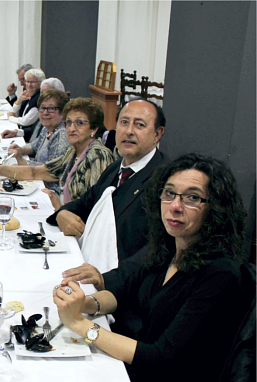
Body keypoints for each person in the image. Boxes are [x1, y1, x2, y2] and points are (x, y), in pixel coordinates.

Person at [53, 153, 246, 382]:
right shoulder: (169, 247)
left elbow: (160, 357)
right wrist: (84, 303)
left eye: (192, 198)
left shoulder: (221, 275)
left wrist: (79, 324)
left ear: (216, 208)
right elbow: (124, 294)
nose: (175, 206)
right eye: (170, 193)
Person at [47, 98, 168, 268]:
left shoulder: (165, 180)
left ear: (157, 134)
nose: (129, 131)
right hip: (88, 266)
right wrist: (62, 213)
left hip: (121, 284)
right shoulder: (116, 168)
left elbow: (154, 251)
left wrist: (106, 282)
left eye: (140, 125)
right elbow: (85, 202)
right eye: (124, 122)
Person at [0, 98, 114, 209]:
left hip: (76, 225)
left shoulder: (98, 156)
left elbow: (92, 207)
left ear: (94, 128)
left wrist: (58, 207)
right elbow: (37, 172)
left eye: (80, 123)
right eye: (69, 122)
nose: (72, 128)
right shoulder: (73, 152)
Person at [1, 77, 65, 142]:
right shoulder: (42, 108)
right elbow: (35, 133)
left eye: (48, 93)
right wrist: (16, 132)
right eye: (42, 93)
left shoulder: (61, 128)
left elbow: (25, 122)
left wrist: (11, 117)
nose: (43, 96)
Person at [7, 68, 45, 142]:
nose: (29, 85)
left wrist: (10, 118)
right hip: (22, 133)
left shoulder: (39, 99)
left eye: (32, 82)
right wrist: (19, 101)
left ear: (40, 83)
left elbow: (25, 121)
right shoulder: (29, 94)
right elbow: (16, 113)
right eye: (27, 81)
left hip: (28, 139)